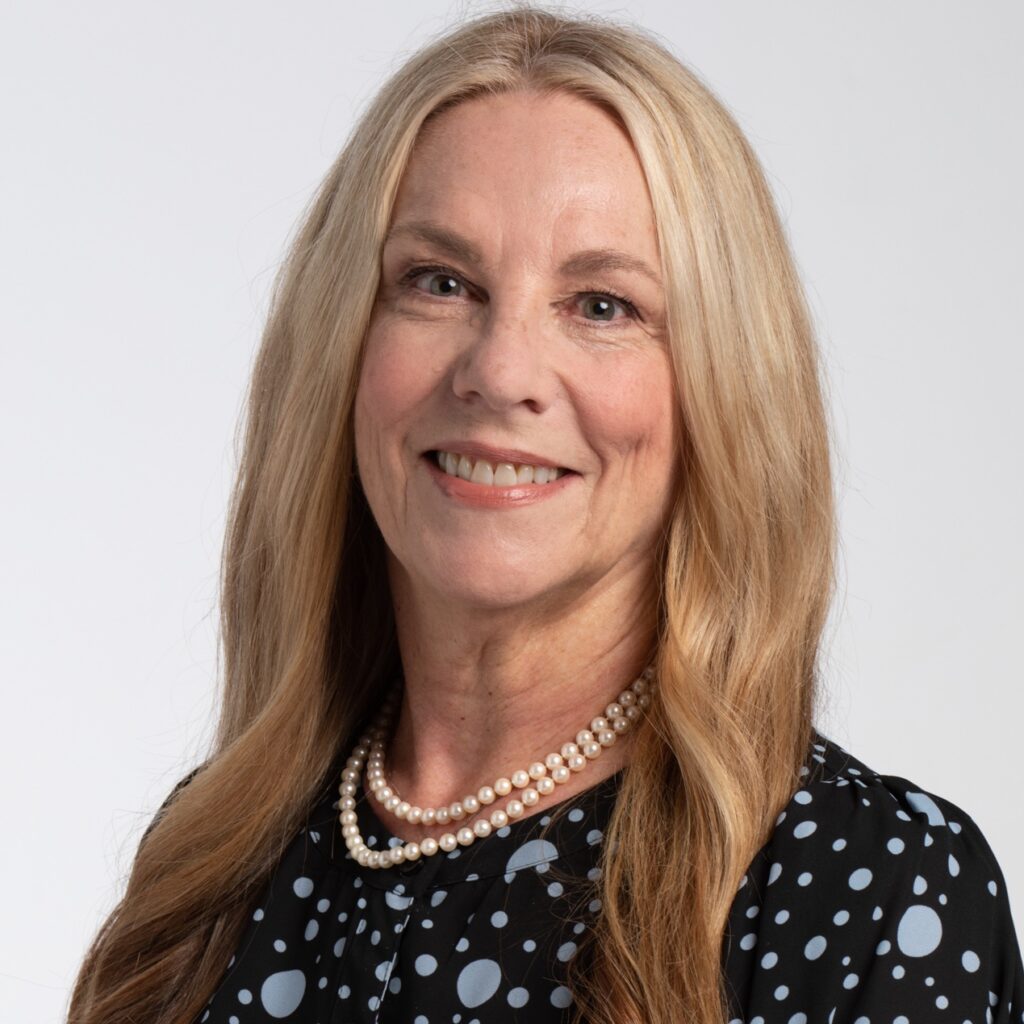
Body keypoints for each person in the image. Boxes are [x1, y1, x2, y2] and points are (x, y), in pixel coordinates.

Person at [67, 6, 1024, 1024]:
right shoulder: (206, 867)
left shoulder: (871, 890)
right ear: (340, 348)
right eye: (439, 282)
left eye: (601, 304)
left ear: (721, 386)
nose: (501, 370)